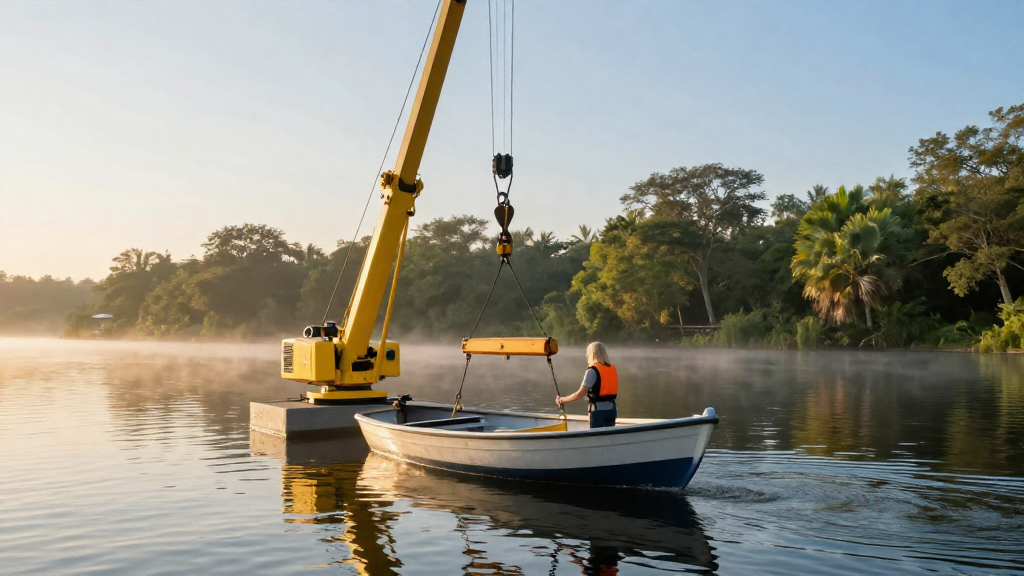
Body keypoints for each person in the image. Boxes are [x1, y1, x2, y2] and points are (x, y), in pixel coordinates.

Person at [555, 342, 618, 428]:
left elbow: (580, 394)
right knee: (608, 435)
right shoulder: (611, 368)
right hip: (611, 410)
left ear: (591, 354)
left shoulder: (592, 371)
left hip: (597, 411)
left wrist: (562, 400)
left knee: (596, 437)